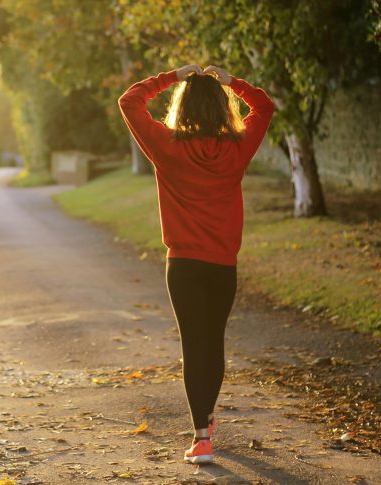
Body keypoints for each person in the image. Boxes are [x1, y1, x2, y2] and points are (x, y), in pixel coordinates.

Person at [117, 64, 275, 464]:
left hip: (183, 266)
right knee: (213, 343)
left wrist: (172, 76)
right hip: (222, 265)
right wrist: (232, 82)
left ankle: (201, 436)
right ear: (223, 108)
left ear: (182, 107)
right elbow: (265, 106)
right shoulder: (237, 147)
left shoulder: (166, 146)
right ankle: (205, 421)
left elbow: (129, 101)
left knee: (194, 345)